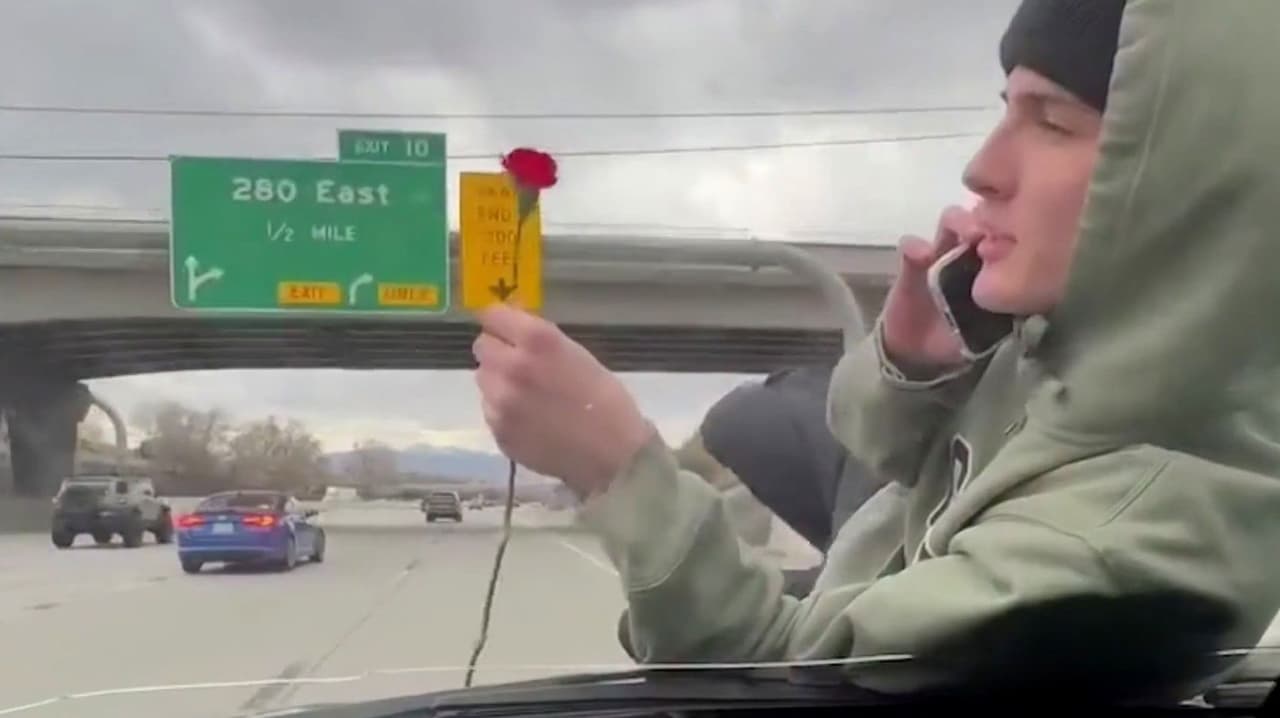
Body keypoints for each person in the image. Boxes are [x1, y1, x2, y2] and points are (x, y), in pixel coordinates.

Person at [472, 0, 1280, 701]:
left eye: (1052, 123)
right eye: (1006, 109)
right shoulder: (1071, 359)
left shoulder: (1114, 560)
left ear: (1190, 186)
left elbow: (774, 677)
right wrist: (915, 362)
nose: (982, 169)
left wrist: (615, 467)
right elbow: (878, 453)